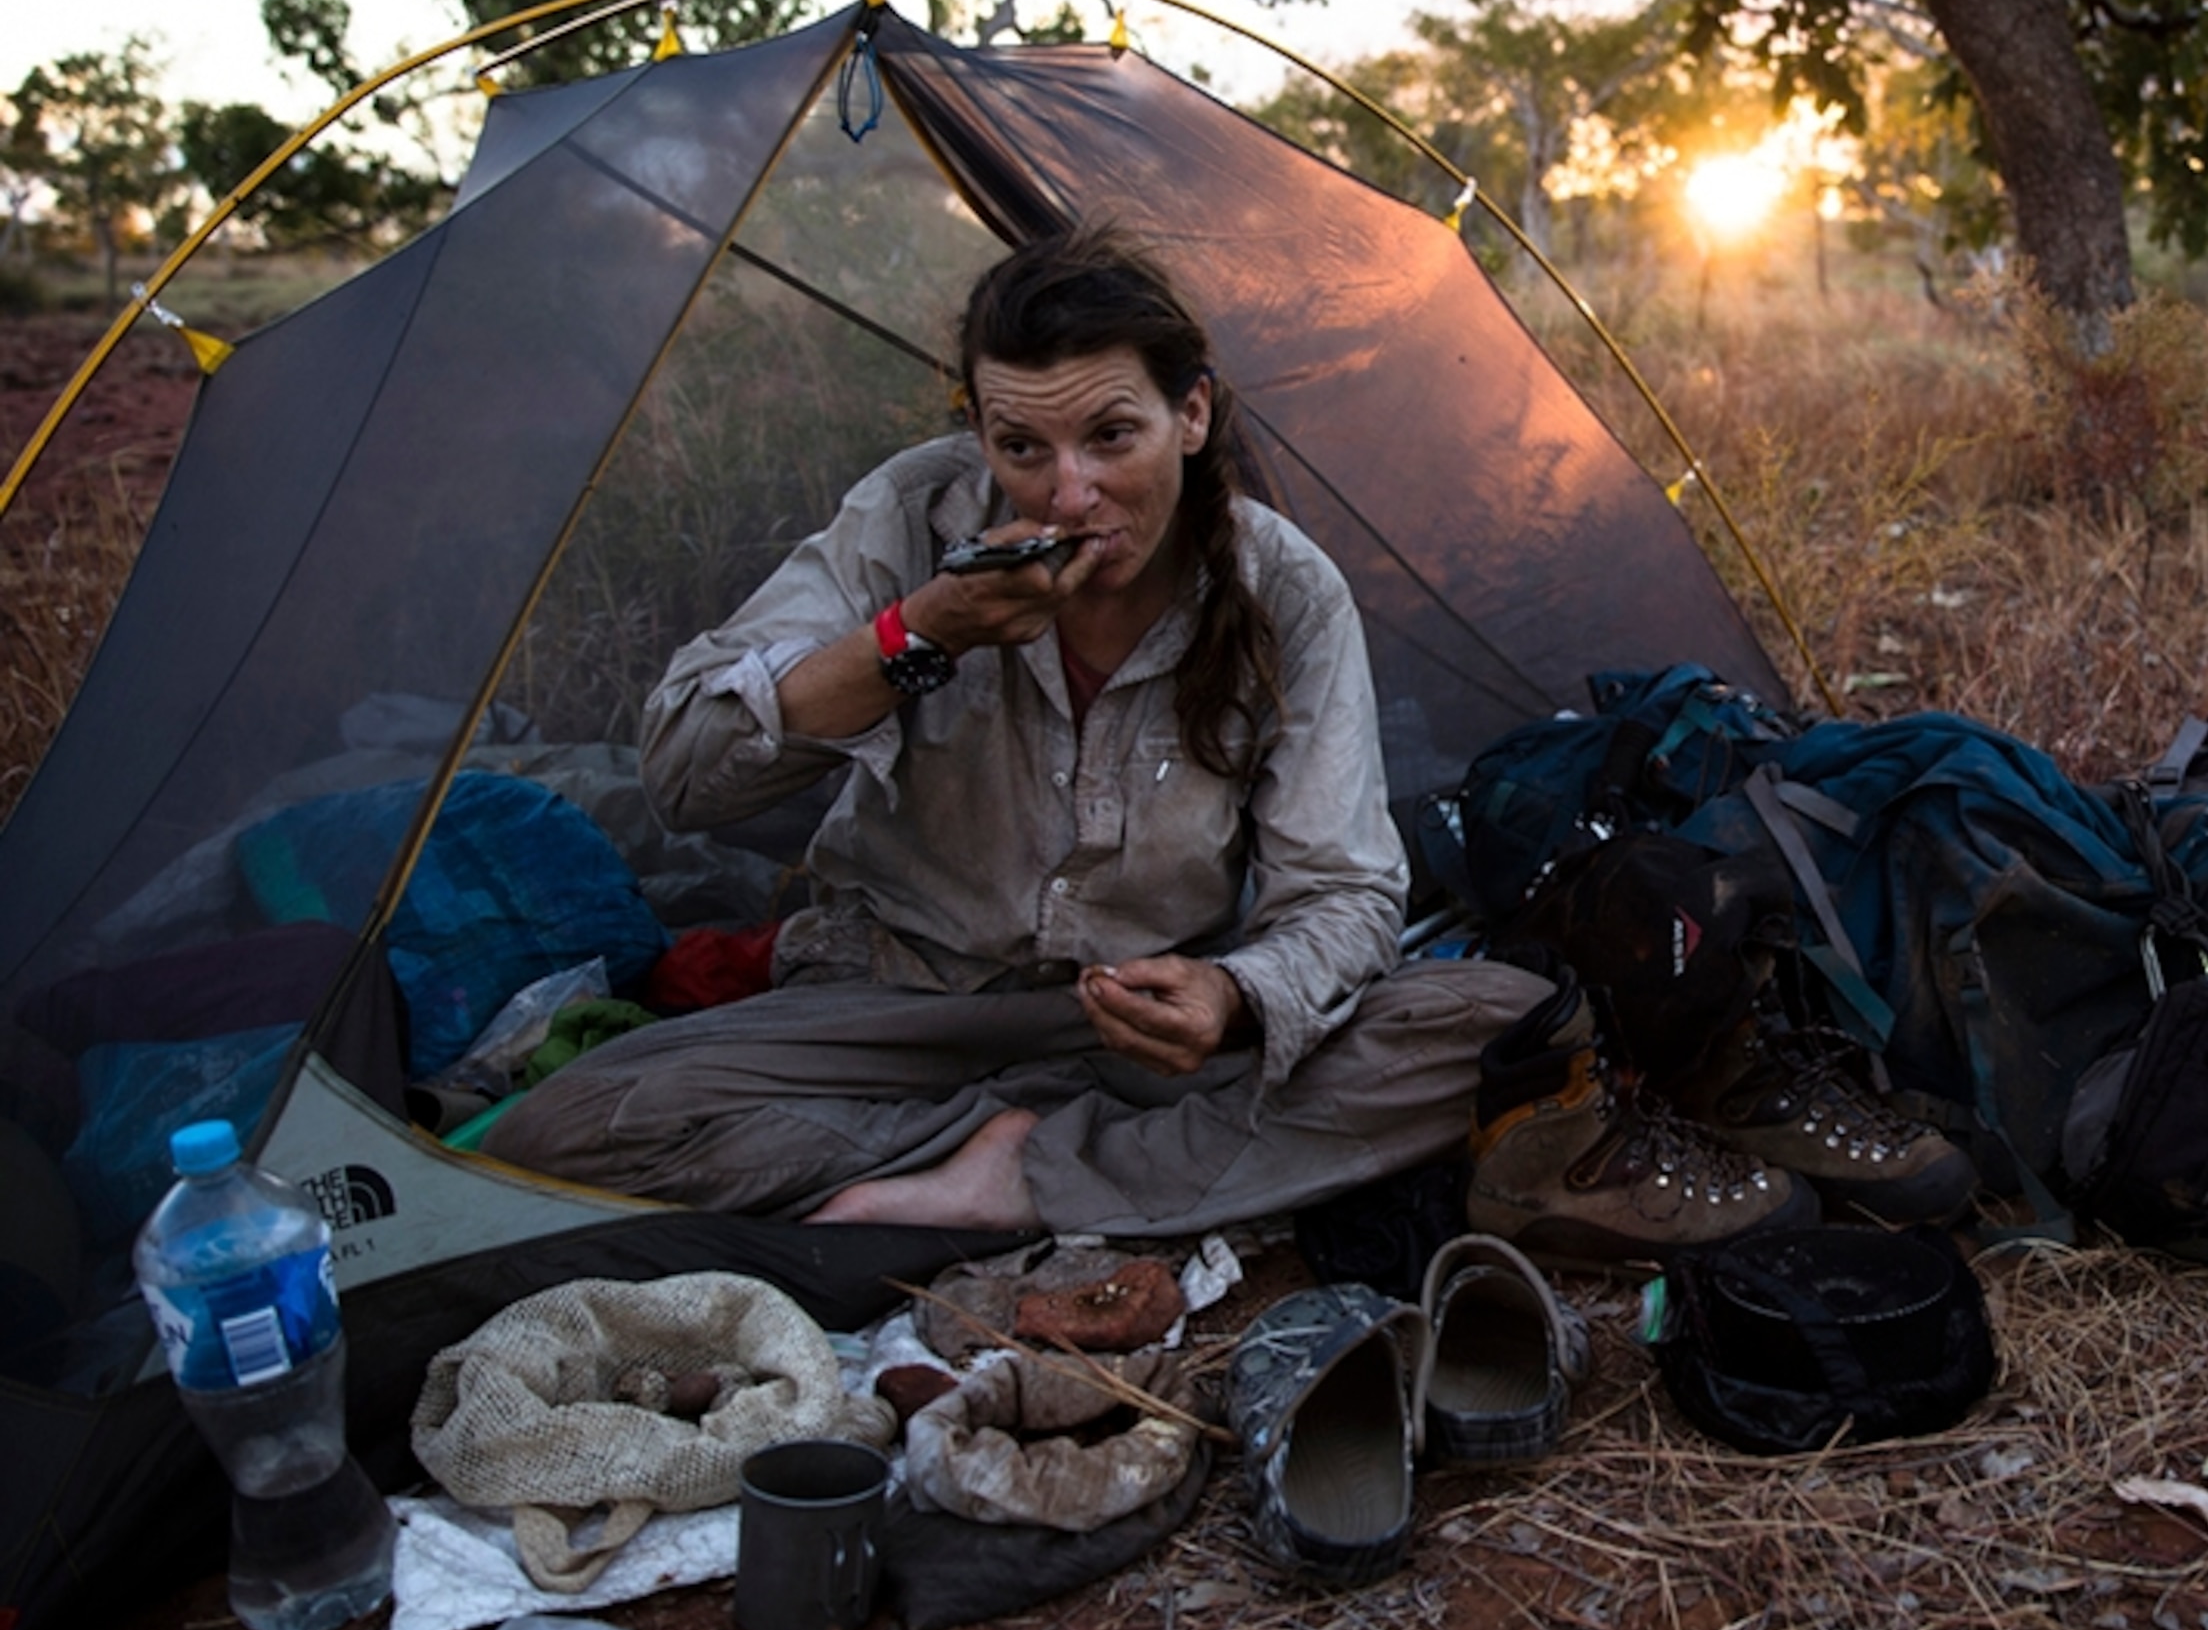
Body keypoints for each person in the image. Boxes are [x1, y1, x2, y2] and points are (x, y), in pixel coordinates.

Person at [484, 224, 1804, 1252]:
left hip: (1144, 1033)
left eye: (1112, 435)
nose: (1069, 492)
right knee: (574, 1120)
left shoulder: (1282, 589)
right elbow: (683, 769)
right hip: (893, 1008)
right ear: (977, 429)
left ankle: (1006, 1174)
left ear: (1192, 414)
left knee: (1489, 1019)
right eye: (1022, 444)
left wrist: (1237, 992)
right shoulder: (908, 524)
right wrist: (919, 633)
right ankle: (1026, 1167)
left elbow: (1343, 893)